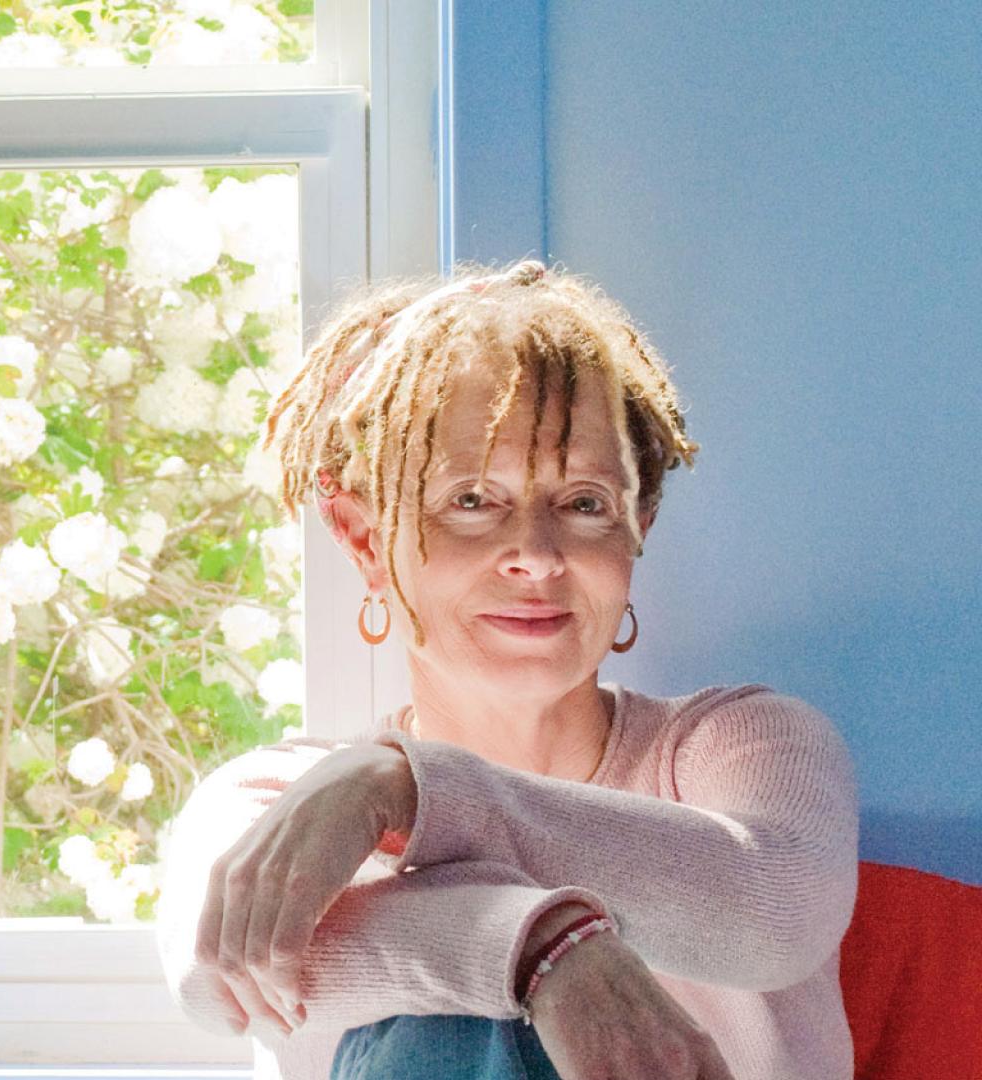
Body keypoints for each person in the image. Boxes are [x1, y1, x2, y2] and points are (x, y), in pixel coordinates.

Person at [152, 259, 861, 1080]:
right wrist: (542, 953)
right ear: (361, 538)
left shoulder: (745, 746)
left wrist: (405, 789)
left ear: (638, 526)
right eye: (471, 501)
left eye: (585, 502)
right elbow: (220, 979)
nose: (534, 553)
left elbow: (774, 914)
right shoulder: (278, 798)